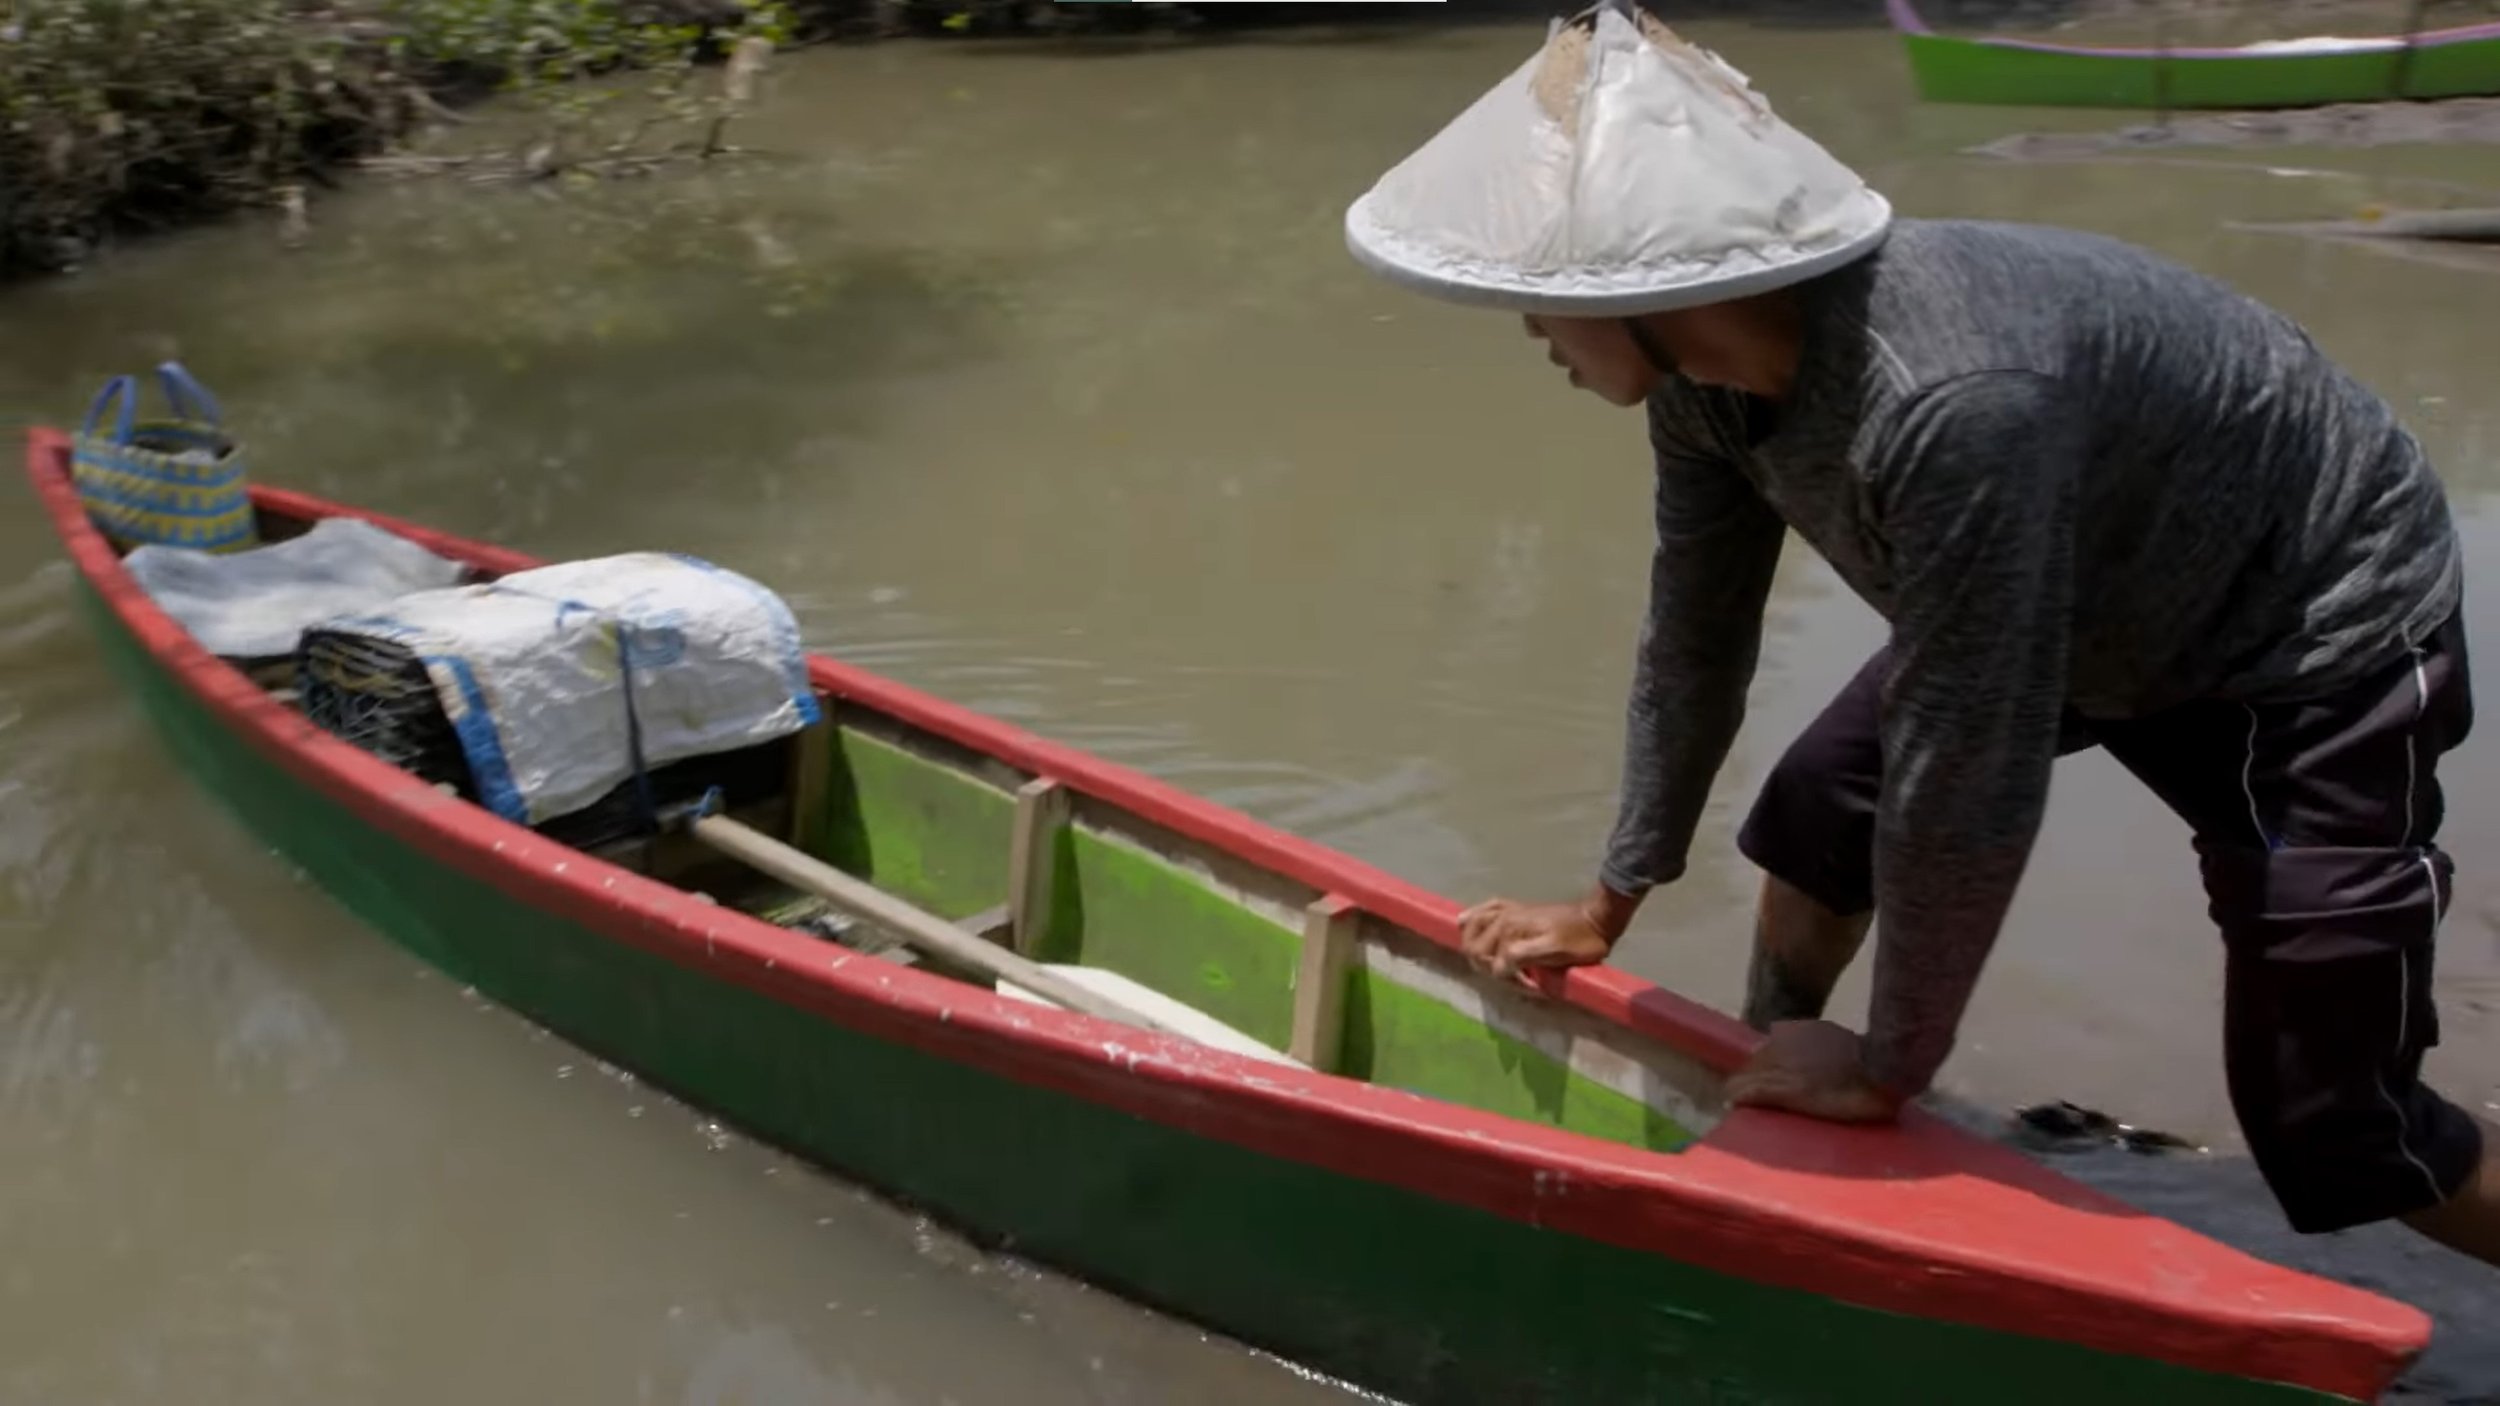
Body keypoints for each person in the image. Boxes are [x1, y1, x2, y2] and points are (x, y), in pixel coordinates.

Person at [1342, 0, 2497, 1264]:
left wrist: (1893, 1062)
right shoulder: (1704, 390)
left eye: (1540, 301)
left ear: (1659, 291)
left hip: (2305, 636)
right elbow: (1693, 640)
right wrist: (1613, 895)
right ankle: (1771, 1075)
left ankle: (1853, 1080)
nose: (1530, 334)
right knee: (1822, 811)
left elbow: (1970, 774)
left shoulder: (1951, 406)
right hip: (2077, 590)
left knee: (2341, 1129)